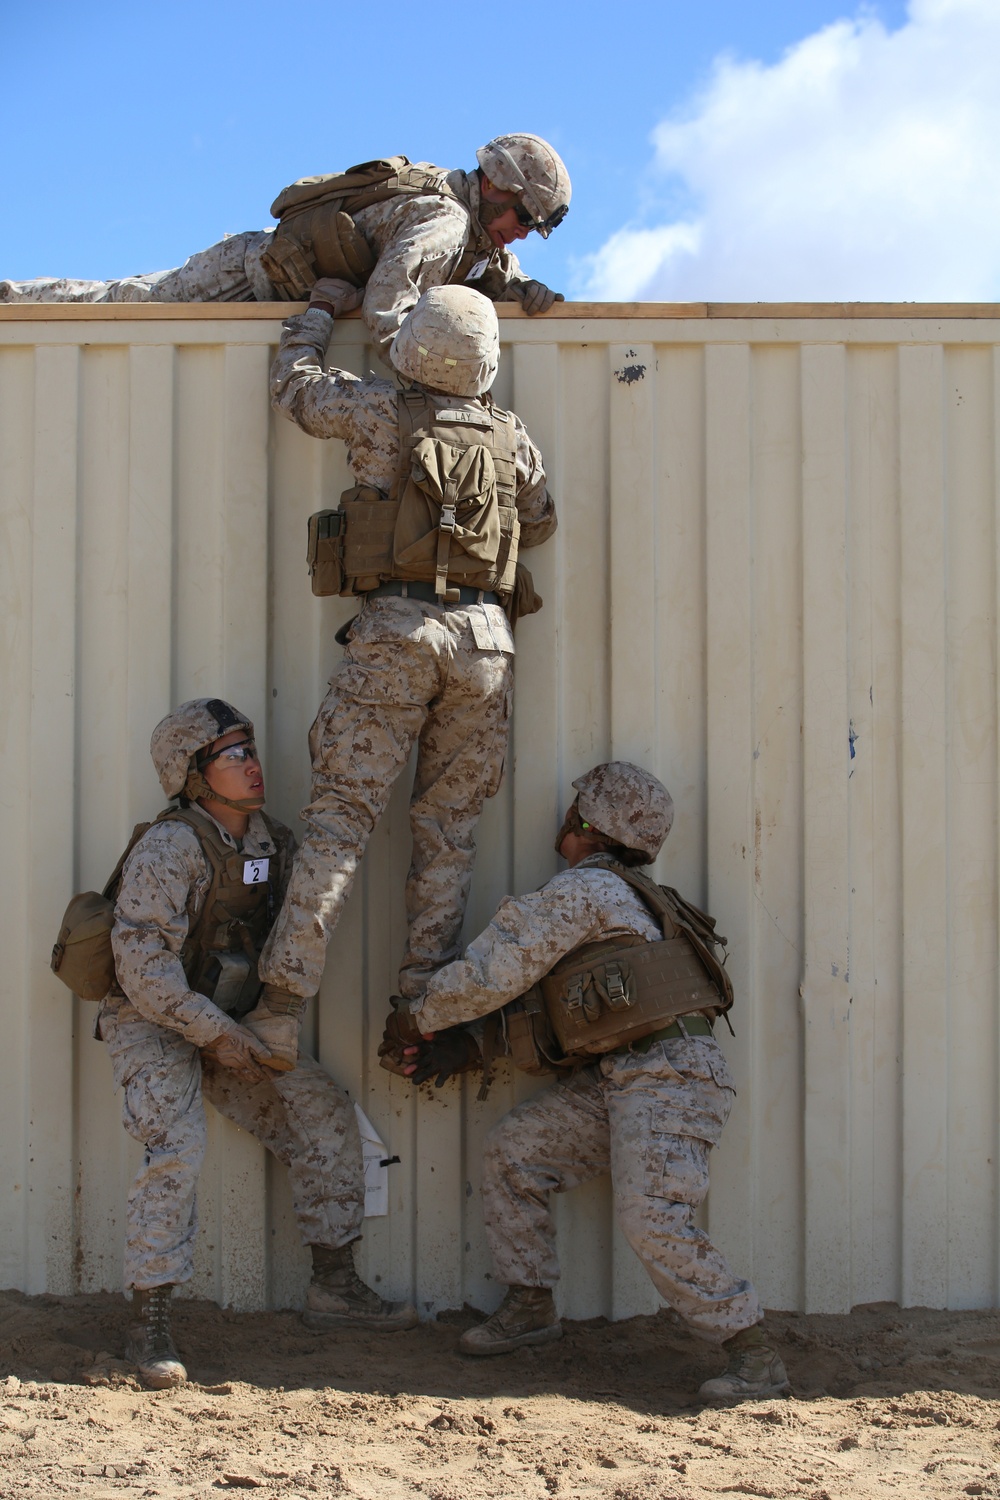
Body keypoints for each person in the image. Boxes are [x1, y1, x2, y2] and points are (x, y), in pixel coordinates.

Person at [388, 761, 789, 1403]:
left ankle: (752, 1351)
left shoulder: (587, 893)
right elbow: (570, 1012)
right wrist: (469, 1046)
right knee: (516, 1153)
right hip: (626, 1072)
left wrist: (418, 1016)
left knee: (652, 1217)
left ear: (585, 823)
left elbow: (495, 971)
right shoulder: (621, 898)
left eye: (574, 810)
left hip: (667, 1076)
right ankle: (530, 1307)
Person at [248, 280, 556, 1071]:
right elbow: (542, 520)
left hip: (397, 635)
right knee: (447, 836)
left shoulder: (379, 409)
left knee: (340, 821)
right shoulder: (511, 434)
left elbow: (297, 391)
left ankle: (280, 1011)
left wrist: (316, 314)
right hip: (486, 646)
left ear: (414, 345)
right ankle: (423, 1006)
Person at [99, 697, 417, 1391]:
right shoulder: (171, 845)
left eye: (249, 749)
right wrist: (214, 1033)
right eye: (232, 754)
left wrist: (256, 1027)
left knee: (322, 1110)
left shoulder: (270, 841)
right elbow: (142, 970)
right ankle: (149, 1324)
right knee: (176, 1146)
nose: (251, 764)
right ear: (193, 773)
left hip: (231, 1023)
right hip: (153, 1022)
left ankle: (334, 1284)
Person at [1, 133, 570, 354]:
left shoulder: (468, 223)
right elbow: (386, 311)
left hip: (272, 284)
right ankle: (11, 299)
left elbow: (481, 263)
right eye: (524, 215)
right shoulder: (444, 221)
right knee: (125, 304)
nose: (522, 230)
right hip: (248, 275)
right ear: (495, 186)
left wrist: (515, 286)